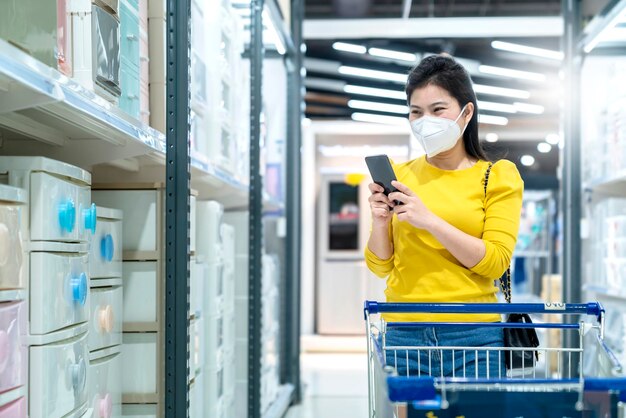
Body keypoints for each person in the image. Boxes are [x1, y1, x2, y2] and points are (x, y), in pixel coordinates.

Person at [365, 55, 523, 378]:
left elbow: (496, 261)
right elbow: (381, 265)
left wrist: (430, 220)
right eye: (416, 112)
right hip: (404, 331)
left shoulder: (497, 176)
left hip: (473, 336)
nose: (426, 121)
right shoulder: (400, 176)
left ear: (466, 112)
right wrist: (380, 223)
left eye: (438, 110)